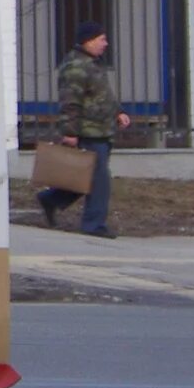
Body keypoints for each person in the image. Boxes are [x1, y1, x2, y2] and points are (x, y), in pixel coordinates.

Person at [38, 21, 127, 237]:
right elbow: (70, 102)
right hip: (89, 131)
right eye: (101, 39)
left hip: (101, 130)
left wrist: (118, 112)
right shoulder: (76, 66)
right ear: (88, 40)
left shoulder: (92, 63)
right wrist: (70, 132)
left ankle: (51, 199)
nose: (105, 44)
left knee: (85, 177)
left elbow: (102, 95)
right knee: (99, 182)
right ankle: (93, 225)